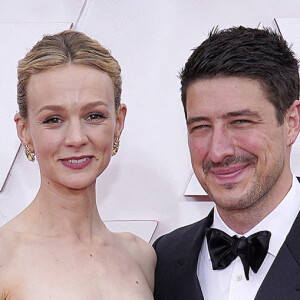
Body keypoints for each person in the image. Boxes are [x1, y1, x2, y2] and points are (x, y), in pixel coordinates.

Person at [0, 30, 156, 299]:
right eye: (53, 119)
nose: (76, 138)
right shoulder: (4, 256)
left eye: (94, 116)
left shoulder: (141, 256)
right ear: (24, 130)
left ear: (118, 123)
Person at [153, 26, 300, 300]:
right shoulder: (164, 258)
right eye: (201, 126)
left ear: (291, 123)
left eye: (240, 122)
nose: (218, 151)